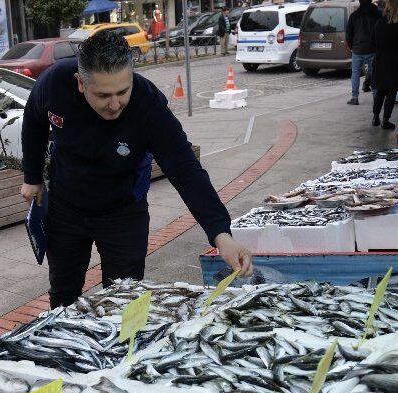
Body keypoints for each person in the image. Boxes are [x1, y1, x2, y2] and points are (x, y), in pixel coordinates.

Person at [21, 31, 253, 309]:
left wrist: (221, 234)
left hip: (123, 211)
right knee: (63, 293)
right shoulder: (54, 83)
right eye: (103, 95)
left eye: (122, 91)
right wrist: (32, 177)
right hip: (66, 206)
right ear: (81, 83)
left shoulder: (148, 104)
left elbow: (185, 168)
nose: (115, 104)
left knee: (124, 298)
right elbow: (33, 120)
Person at [371, 0, 398, 129]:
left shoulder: (379, 23)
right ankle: (385, 120)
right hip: (395, 64)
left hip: (380, 62)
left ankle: (375, 118)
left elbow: (372, 43)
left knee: (380, 91)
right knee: (391, 92)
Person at [345, 0, 381, 105]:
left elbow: (348, 34)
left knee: (355, 73)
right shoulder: (378, 14)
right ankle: (376, 97)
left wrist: (352, 46)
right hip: (373, 49)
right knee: (374, 73)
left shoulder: (354, 15)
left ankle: (355, 97)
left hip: (358, 49)